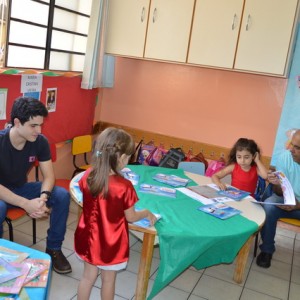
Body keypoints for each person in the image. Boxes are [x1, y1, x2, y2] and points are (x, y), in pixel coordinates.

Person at [74, 127, 157, 300]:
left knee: (87, 277)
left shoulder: (87, 175)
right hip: (110, 243)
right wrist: (147, 213)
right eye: (128, 156)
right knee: (108, 280)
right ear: (120, 158)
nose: (128, 160)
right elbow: (131, 217)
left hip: (87, 237)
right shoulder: (124, 186)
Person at [0, 97, 72, 274]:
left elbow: (49, 176)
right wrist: (26, 204)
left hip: (20, 188)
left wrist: (42, 198)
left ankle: (54, 249)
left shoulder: (40, 141)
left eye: (41, 125)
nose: (38, 130)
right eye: (33, 126)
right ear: (17, 122)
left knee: (61, 195)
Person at [256, 129, 300, 268]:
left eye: (297, 147)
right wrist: (277, 184)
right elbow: (278, 192)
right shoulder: (285, 157)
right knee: (269, 205)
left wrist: (298, 205)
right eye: (292, 144)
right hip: (287, 199)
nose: (291, 150)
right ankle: (267, 250)